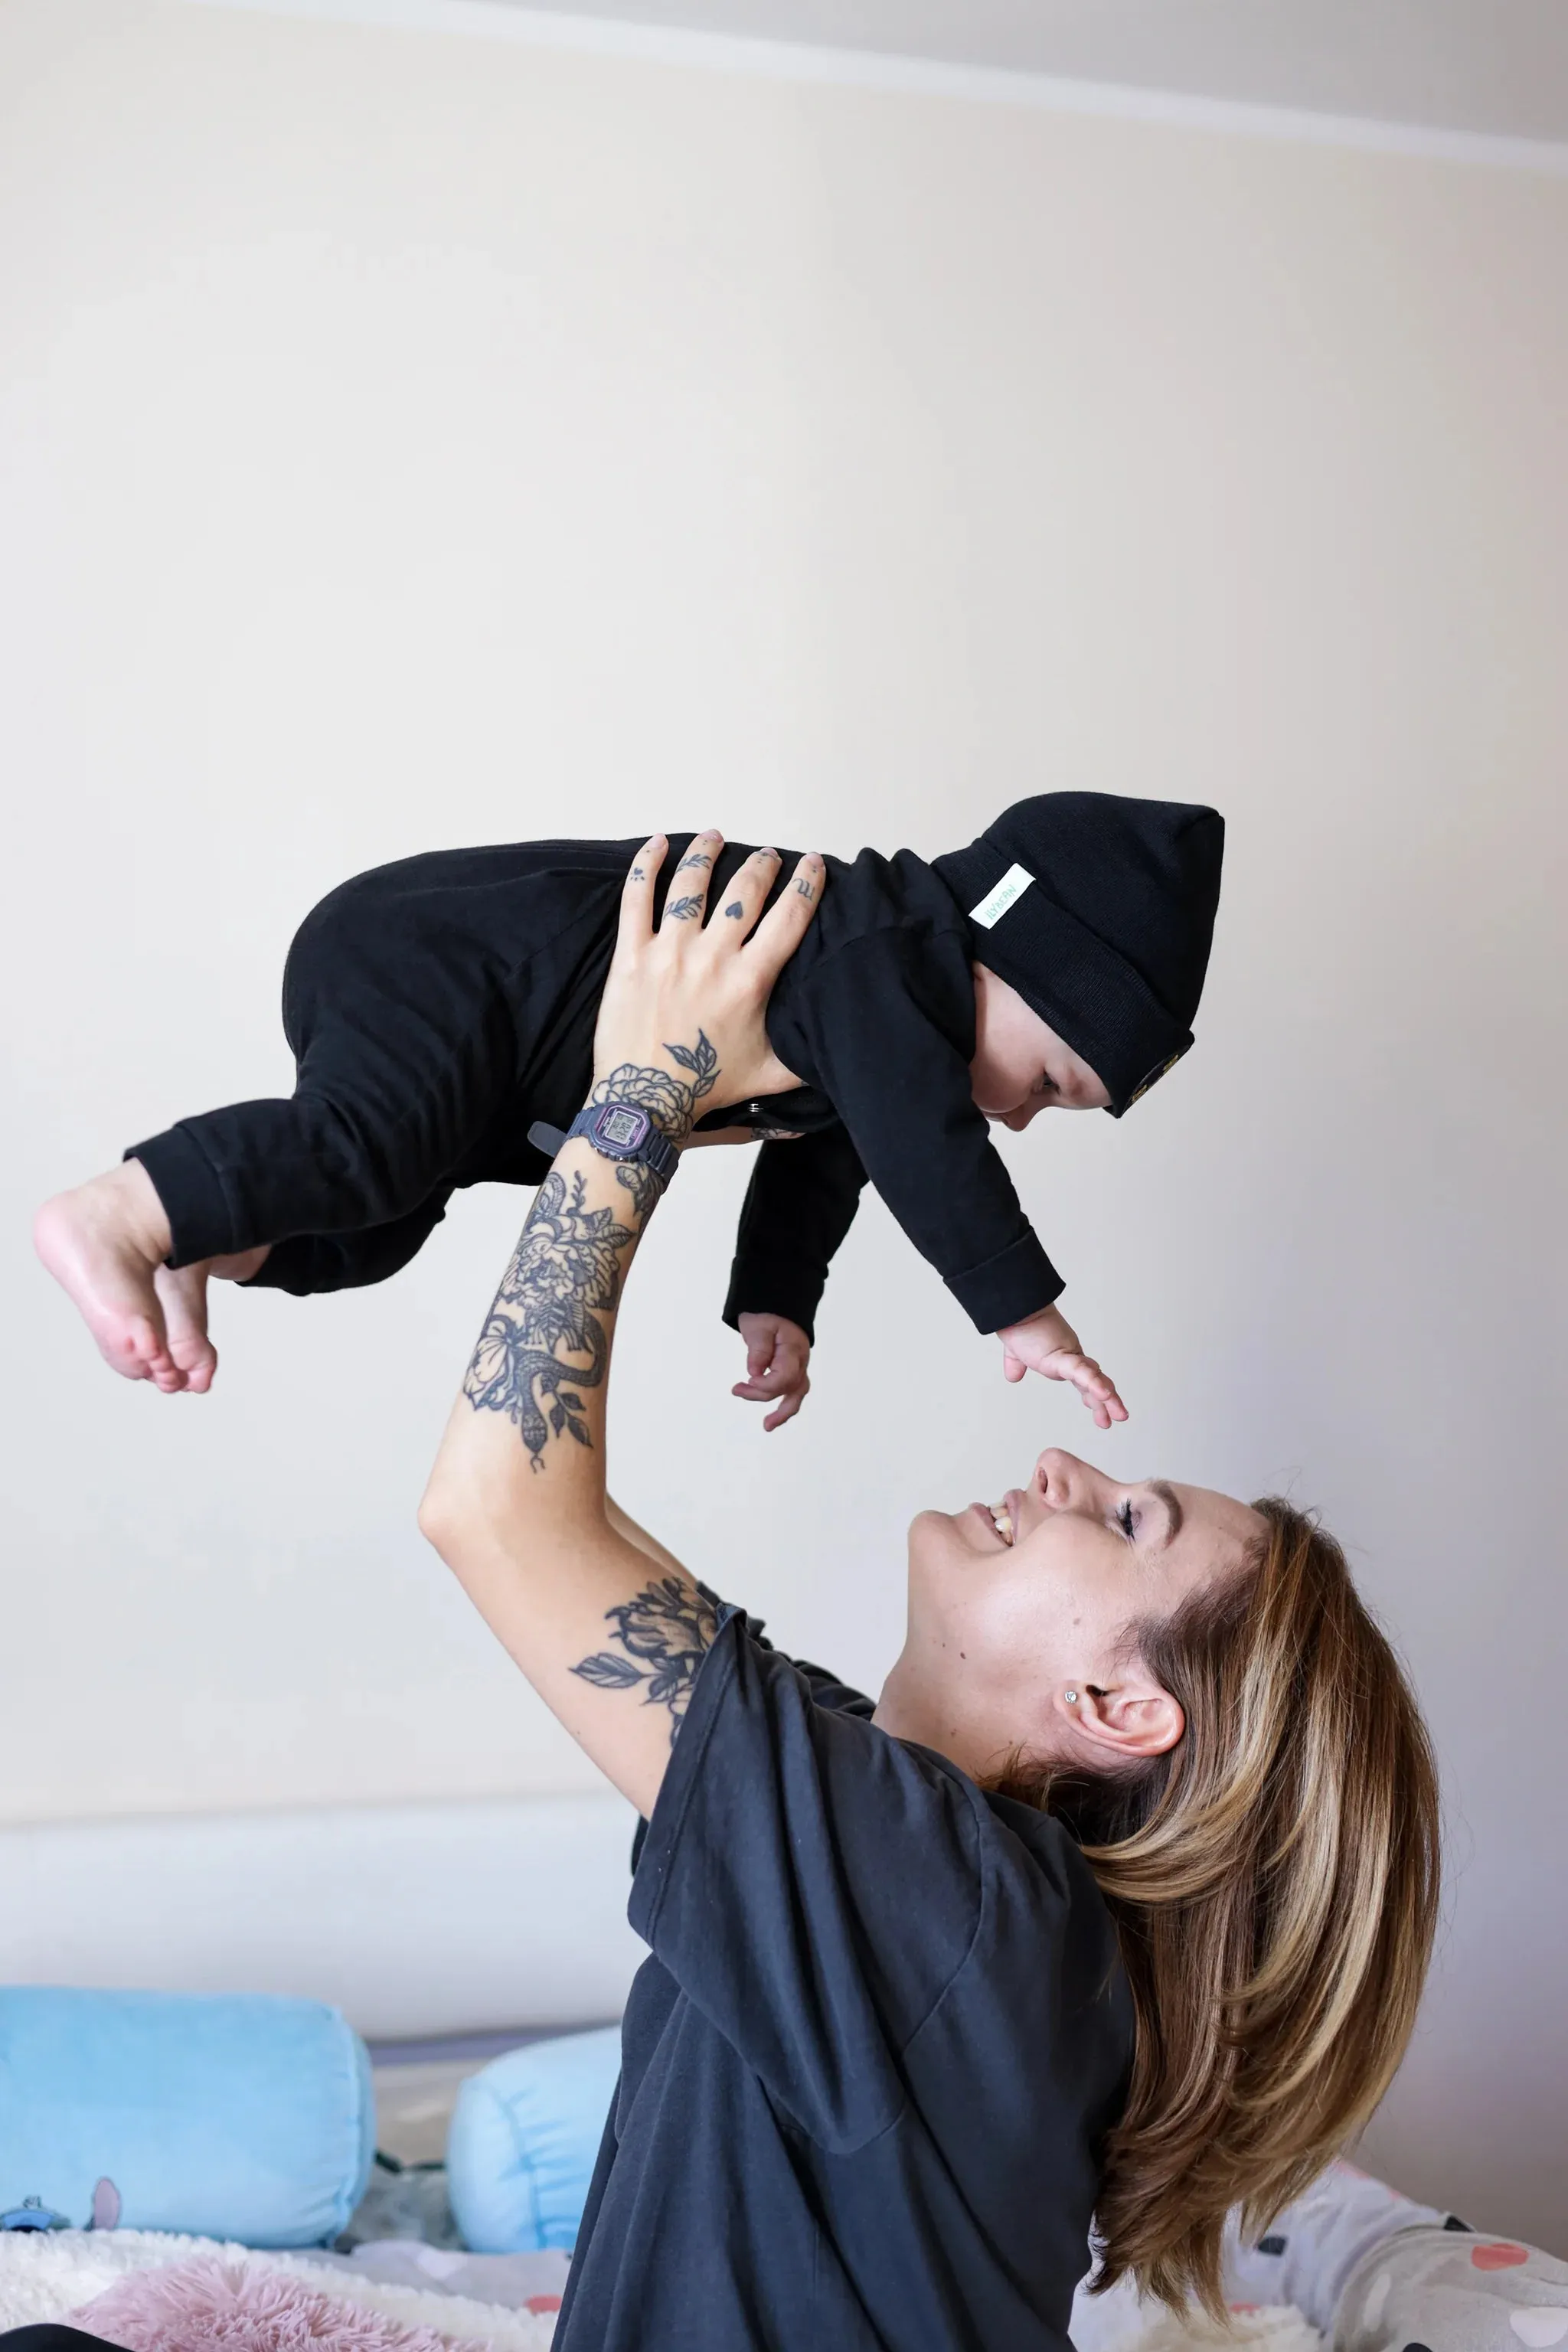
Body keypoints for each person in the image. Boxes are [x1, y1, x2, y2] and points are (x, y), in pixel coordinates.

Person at [407, 838, 1440, 2349]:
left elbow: (497, 1506)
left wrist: (645, 1084)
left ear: (1120, 1706)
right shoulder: (950, 1888)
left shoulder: (953, 1905)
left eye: (1129, 1515)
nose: (1063, 1471)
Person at [34, 791, 1225, 1432]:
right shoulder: (890, 950)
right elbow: (928, 1147)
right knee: (365, 1149)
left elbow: (834, 1159)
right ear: (1011, 958)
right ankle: (119, 1213)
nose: (1019, 1117)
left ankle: (201, 1231)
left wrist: (777, 1299)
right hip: (445, 960)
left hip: (486, 1048)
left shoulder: (874, 1019)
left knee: (378, 1217)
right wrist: (1026, 1316)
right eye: (1053, 1082)